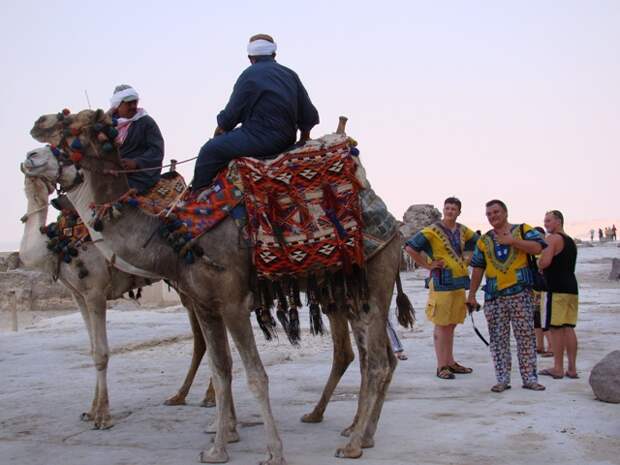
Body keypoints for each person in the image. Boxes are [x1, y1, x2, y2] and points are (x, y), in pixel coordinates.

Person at [192, 34, 320, 191]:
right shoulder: (290, 74)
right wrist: (303, 138)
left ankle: (196, 200)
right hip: (287, 138)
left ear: (250, 57)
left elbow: (230, 117)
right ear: (274, 54)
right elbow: (309, 114)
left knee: (209, 151)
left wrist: (220, 129)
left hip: (261, 138)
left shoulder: (249, 75)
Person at [467, 200, 547, 393]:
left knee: (525, 337)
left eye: (496, 212)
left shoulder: (522, 230)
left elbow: (538, 248)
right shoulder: (484, 240)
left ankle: (529, 378)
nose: (492, 216)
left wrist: (513, 242)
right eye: (489, 214)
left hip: (520, 293)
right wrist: (471, 294)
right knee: (497, 340)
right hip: (494, 297)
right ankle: (502, 379)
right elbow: (478, 267)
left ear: (505, 212)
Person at [405, 197, 478, 380]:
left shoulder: (463, 230)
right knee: (441, 324)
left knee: (451, 324)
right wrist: (428, 266)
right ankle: (441, 365)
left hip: (459, 283)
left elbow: (477, 242)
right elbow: (410, 248)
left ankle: (450, 361)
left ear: (459, 212)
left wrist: (467, 258)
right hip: (441, 283)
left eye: (454, 208)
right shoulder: (432, 231)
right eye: (447, 208)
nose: (450, 211)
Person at [538, 210, 579, 379]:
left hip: (555, 289)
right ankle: (572, 368)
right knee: (569, 327)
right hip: (571, 287)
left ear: (558, 221)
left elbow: (545, 262)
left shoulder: (552, 239)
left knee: (556, 328)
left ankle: (558, 367)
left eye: (548, 221)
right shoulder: (571, 241)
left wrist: (539, 262)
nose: (546, 224)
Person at [108, 85, 164, 193]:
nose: (133, 106)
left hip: (139, 178)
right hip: (110, 175)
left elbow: (157, 150)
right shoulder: (106, 126)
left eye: (135, 102)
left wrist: (136, 162)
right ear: (118, 105)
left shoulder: (146, 122)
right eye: (129, 103)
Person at [533, 227, 553, 357]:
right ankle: (539, 345)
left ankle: (551, 347)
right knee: (536, 320)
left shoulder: (547, 249)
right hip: (533, 291)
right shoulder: (533, 251)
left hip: (544, 290)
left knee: (545, 320)